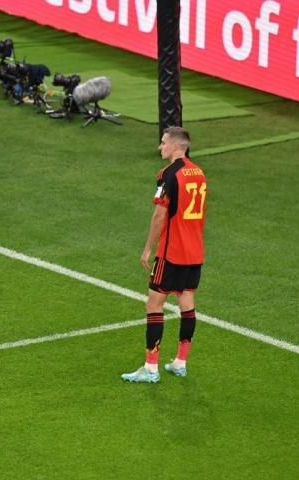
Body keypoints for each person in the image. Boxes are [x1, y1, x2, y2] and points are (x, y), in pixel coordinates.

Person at [122, 126, 207, 383]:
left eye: (163, 143)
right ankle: (180, 362)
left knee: (154, 304)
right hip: (195, 252)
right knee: (187, 302)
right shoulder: (199, 173)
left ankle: (150, 368)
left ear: (177, 147)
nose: (160, 147)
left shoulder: (168, 174)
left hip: (172, 253)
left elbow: (160, 214)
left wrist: (148, 247)